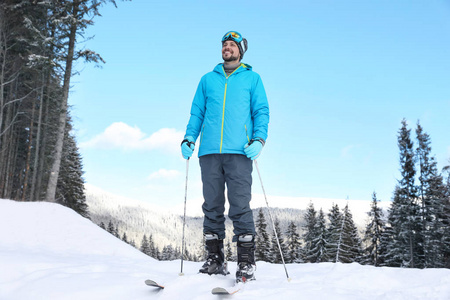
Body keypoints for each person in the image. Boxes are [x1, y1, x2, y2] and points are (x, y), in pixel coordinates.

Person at [181, 31, 269, 283]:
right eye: (224, 45)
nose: (227, 48)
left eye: (232, 45)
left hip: (240, 151)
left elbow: (261, 112)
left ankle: (245, 263)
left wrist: (259, 140)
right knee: (212, 205)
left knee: (240, 206)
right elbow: (196, 113)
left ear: (241, 50)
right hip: (209, 152)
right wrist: (189, 138)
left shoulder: (252, 79)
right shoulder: (208, 80)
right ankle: (215, 260)